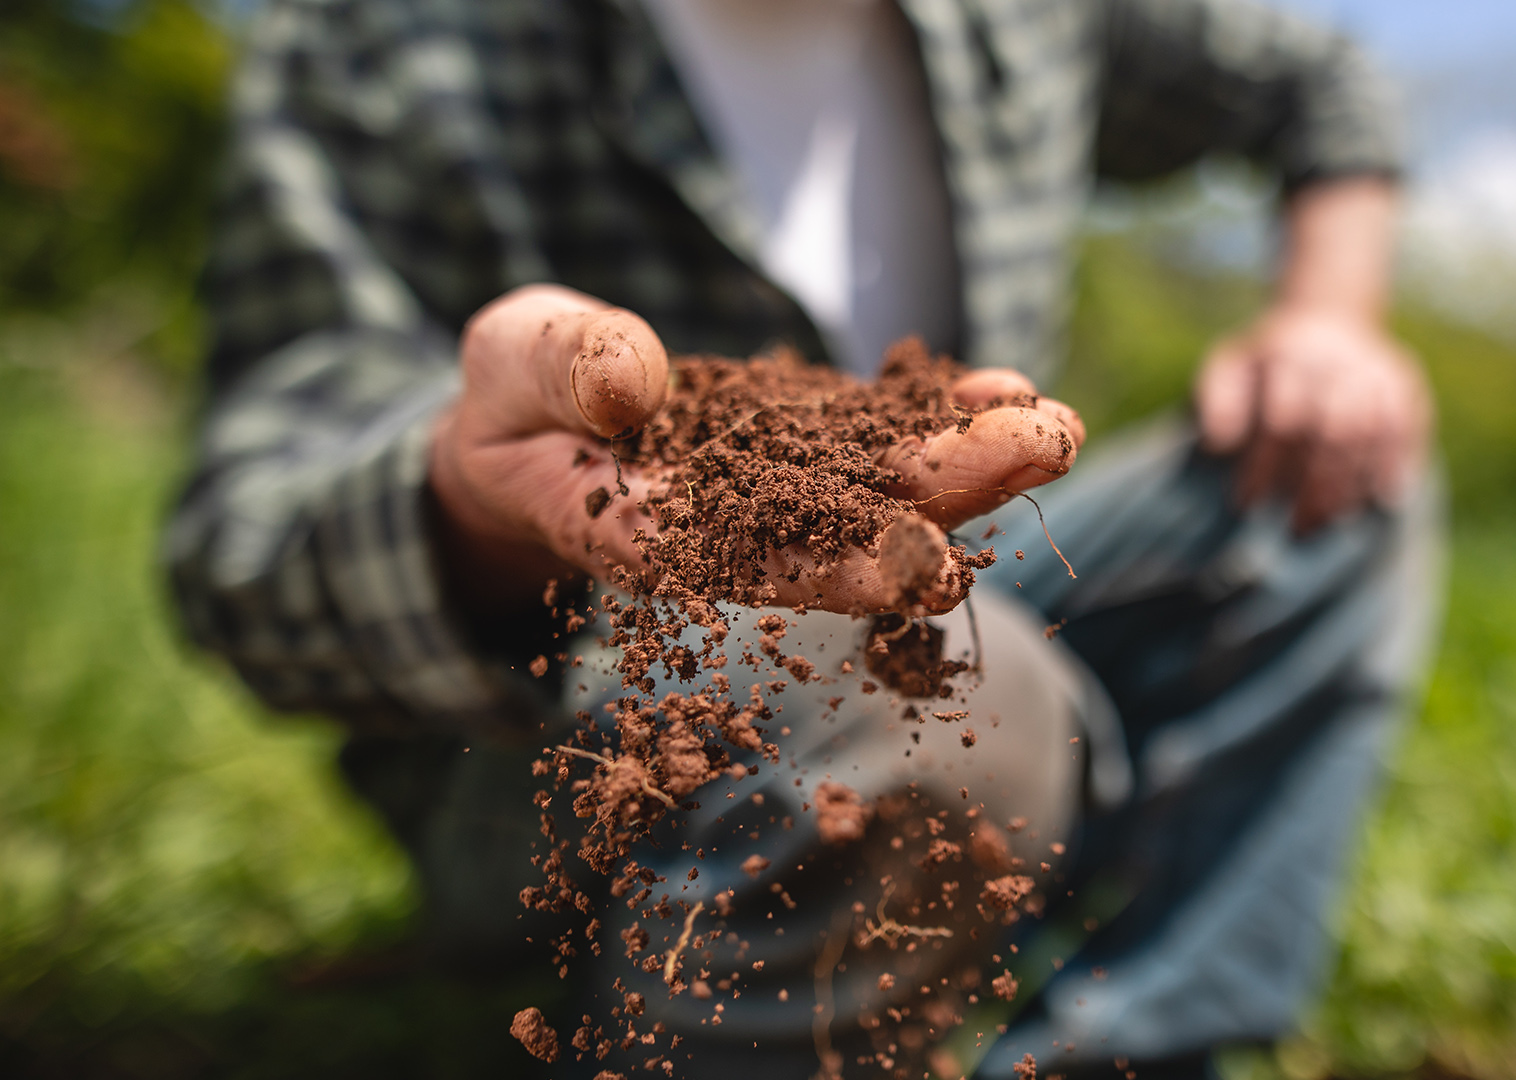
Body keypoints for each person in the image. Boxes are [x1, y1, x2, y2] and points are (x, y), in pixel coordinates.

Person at [168, 0, 1440, 1076]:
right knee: (954, 706)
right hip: (562, 715)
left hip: (960, 577)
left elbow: (1318, 80)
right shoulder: (387, 38)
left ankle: (1135, 1039)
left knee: (1329, 471)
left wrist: (1328, 319)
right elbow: (244, 543)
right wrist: (476, 496)